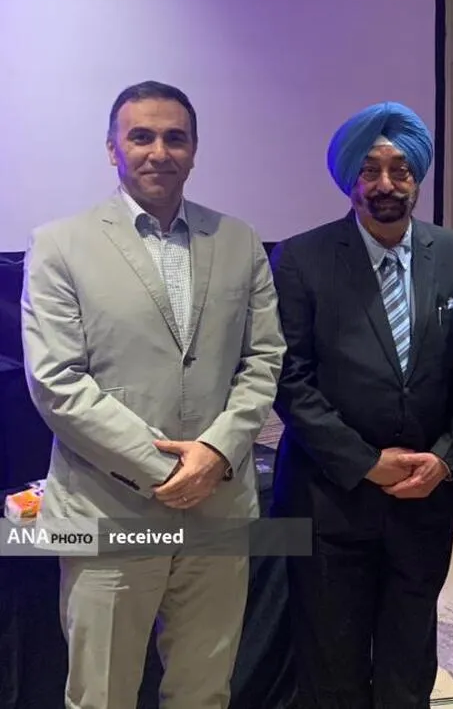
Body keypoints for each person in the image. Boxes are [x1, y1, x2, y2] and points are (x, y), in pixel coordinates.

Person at [20, 80, 285, 709]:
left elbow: (263, 358)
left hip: (218, 510)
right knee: (102, 695)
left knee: (204, 692)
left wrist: (214, 455)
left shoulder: (240, 241)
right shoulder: (59, 245)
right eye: (141, 137)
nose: (159, 152)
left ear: (194, 150)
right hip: (109, 512)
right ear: (112, 148)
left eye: (175, 138)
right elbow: (57, 380)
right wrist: (166, 468)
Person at [269, 102, 453, 708]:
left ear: (418, 176)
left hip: (424, 500)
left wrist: (445, 457)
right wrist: (365, 462)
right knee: (331, 667)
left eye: (400, 169)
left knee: (409, 664)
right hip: (328, 500)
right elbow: (289, 379)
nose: (386, 184)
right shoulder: (302, 258)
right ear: (349, 179)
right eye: (369, 170)